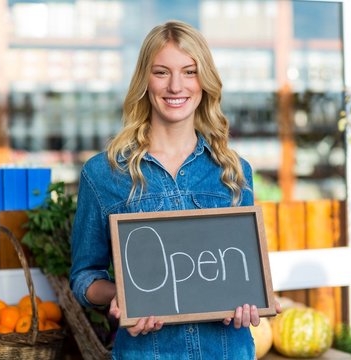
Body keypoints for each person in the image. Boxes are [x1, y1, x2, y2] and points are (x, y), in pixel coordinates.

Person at [70, 20, 279, 359]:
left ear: (204, 81)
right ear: (144, 80)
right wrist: (120, 296)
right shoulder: (103, 174)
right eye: (162, 72)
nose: (176, 86)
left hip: (227, 351)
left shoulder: (234, 172)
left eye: (190, 71)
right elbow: (84, 278)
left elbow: (245, 275)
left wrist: (252, 301)